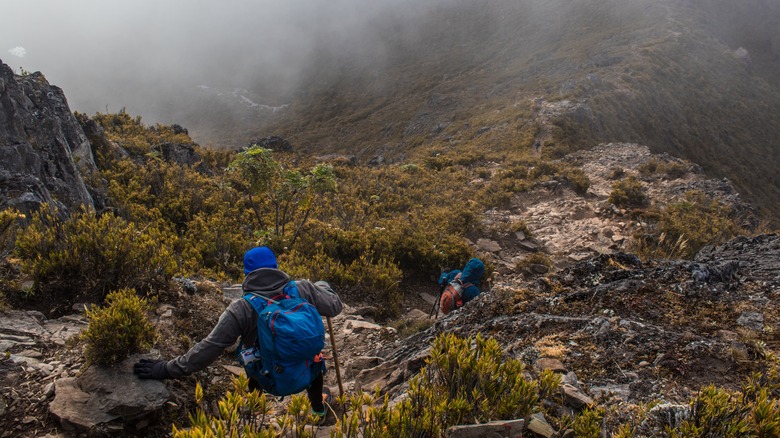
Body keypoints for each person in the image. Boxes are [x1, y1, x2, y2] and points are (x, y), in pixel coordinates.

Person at [134, 246, 343, 420]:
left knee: (254, 364)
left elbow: (208, 348)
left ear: (246, 274)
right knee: (314, 360)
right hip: (307, 372)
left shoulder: (241, 308)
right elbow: (335, 306)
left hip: (268, 380)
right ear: (276, 267)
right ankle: (318, 409)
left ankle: (255, 420)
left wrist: (165, 369)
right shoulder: (303, 289)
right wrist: (324, 287)